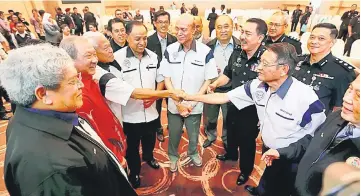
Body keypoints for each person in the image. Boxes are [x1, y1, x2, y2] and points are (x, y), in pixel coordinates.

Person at [178, 42, 326, 196]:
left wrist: (285, 151)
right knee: (267, 179)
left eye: (265, 64)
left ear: (283, 69)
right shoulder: (258, 86)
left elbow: (318, 136)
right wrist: (190, 97)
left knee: (282, 189)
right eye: (260, 61)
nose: (258, 67)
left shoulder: (305, 98)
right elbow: (224, 97)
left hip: (292, 157)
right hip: (269, 148)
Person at [1, 44, 138, 196]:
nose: (80, 85)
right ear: (42, 94)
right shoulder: (54, 170)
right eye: (72, 81)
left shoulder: (28, 115)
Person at [262, 76, 360, 196]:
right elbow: (313, 141)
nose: (346, 98)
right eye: (350, 89)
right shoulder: (337, 116)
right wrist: (282, 151)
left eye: (358, 96)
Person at [209, 18, 267, 186]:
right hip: (233, 104)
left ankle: (246, 170)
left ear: (260, 38)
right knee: (231, 133)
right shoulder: (237, 53)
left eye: (247, 33)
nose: (242, 36)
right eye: (242, 32)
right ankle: (231, 154)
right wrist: (215, 84)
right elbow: (227, 74)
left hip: (252, 112)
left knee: (247, 143)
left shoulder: (267, 59)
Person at [159, 14, 218, 172]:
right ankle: (173, 156)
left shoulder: (205, 52)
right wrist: (178, 103)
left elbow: (208, 80)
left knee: (193, 135)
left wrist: (192, 103)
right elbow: (166, 77)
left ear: (194, 29)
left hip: (194, 106)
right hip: (174, 105)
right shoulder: (170, 50)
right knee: (174, 134)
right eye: (177, 29)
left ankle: (192, 153)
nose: (179, 33)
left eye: (184, 29)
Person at [112, 21, 168, 188]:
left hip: (151, 112)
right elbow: (117, 88)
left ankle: (149, 157)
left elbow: (160, 80)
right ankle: (134, 171)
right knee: (132, 147)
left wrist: (155, 96)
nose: (142, 42)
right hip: (130, 114)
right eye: (137, 39)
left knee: (150, 140)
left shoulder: (154, 56)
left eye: (144, 38)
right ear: (127, 36)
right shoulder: (117, 59)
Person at [294, 23, 356, 115]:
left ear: (332, 42)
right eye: (312, 37)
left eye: (321, 38)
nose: (314, 41)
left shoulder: (342, 72)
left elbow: (339, 109)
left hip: (316, 124)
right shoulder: (296, 61)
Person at [203, 15, 241, 149]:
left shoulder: (240, 47)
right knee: (210, 118)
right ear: (215, 29)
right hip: (212, 89)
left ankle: (226, 140)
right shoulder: (208, 47)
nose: (223, 30)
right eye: (219, 27)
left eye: (226, 26)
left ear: (232, 27)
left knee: (228, 119)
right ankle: (211, 136)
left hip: (231, 90)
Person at [147, 10, 177, 142]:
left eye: (166, 22)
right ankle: (158, 128)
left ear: (169, 23)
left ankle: (173, 125)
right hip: (156, 80)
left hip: (171, 79)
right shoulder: (149, 41)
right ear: (155, 23)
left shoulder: (174, 40)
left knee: (173, 104)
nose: (163, 25)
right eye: (160, 22)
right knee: (157, 105)